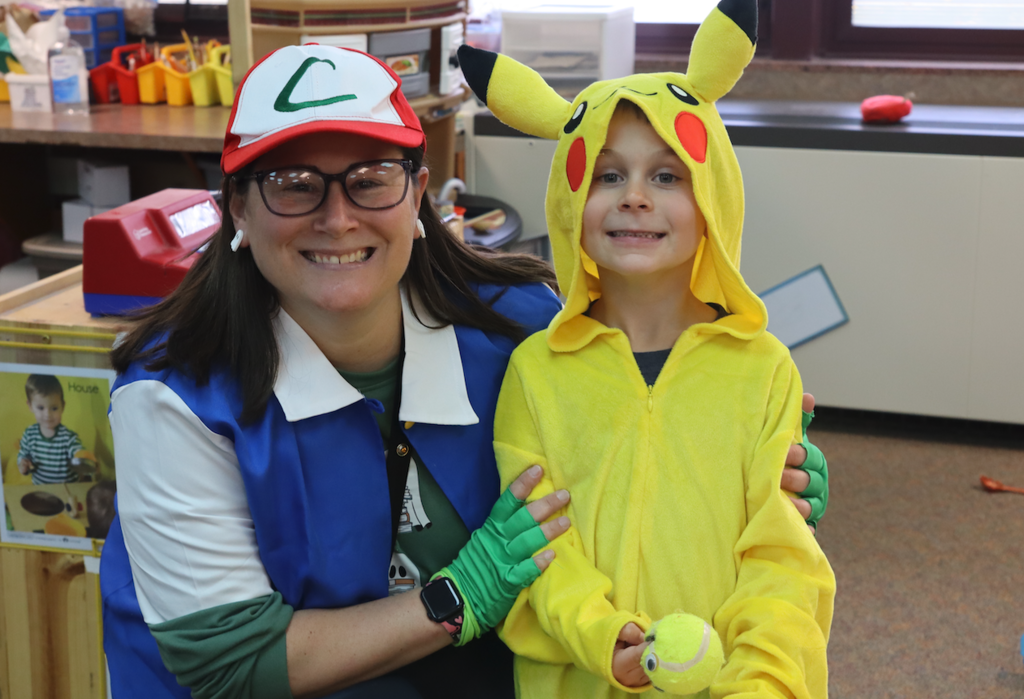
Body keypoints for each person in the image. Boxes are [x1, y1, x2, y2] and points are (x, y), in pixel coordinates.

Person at [100, 43, 828, 699]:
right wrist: (459, 595)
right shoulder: (174, 399)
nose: (337, 216)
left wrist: (740, 458)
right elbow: (234, 662)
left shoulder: (521, 329)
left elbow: (636, 423)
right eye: (294, 183)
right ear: (237, 208)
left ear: (418, 194)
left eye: (372, 178)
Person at [458, 1, 835, 697]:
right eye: (607, 176)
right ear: (572, 197)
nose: (634, 197)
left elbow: (782, 558)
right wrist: (604, 635)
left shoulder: (763, 370)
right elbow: (542, 546)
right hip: (580, 678)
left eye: (666, 175)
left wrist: (761, 680)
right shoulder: (537, 373)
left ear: (713, 197)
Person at [17, 374, 84, 484]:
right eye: (40, 408)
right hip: (40, 487)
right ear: (30, 406)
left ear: (62, 406)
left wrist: (81, 456)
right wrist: (23, 464)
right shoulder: (29, 434)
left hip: (67, 488)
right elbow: (23, 455)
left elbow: (77, 450)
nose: (47, 414)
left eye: (54, 408)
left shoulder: (68, 437)